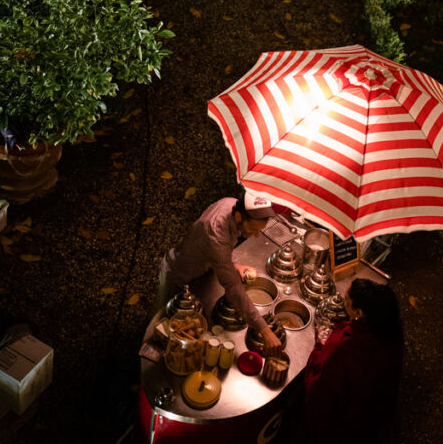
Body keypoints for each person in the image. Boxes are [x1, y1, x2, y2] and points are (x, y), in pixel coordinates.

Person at [157, 188, 282, 354]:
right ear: (239, 217)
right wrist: (264, 329)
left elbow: (224, 249)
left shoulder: (230, 203)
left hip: (203, 268)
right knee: (163, 324)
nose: (257, 235)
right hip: (179, 274)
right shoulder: (216, 235)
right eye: (253, 229)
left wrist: (234, 265)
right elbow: (233, 288)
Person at [303, 277, 403, 444]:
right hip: (371, 418)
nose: (343, 301)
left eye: (347, 300)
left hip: (339, 426)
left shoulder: (345, 342)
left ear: (359, 312)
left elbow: (317, 385)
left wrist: (320, 347)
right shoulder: (392, 330)